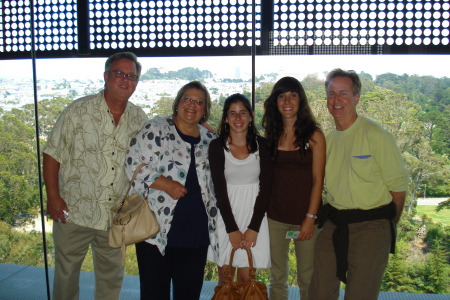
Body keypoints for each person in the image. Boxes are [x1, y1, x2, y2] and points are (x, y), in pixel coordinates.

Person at [43, 52, 148, 299]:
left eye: (131, 76)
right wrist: (53, 197)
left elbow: (157, 147)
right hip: (74, 210)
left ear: (136, 82)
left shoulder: (139, 118)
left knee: (111, 280)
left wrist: (199, 127)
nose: (125, 80)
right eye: (119, 73)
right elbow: (52, 153)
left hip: (114, 216)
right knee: (66, 277)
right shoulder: (78, 111)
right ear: (106, 76)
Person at [309, 69, 409, 300]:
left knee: (361, 294)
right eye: (332, 94)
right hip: (334, 223)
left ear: (357, 98)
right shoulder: (328, 140)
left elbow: (398, 187)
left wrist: (385, 226)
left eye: (344, 93)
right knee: (319, 292)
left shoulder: (376, 135)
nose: (337, 100)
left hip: (371, 226)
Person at [124, 81, 218, 300]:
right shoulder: (156, 129)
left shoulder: (210, 139)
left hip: (195, 234)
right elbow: (131, 162)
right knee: (154, 293)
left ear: (204, 110)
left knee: (189, 294)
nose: (192, 105)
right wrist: (165, 184)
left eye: (199, 102)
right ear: (177, 103)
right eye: (188, 99)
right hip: (155, 231)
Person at [262, 77, 326, 300]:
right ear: (275, 102)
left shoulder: (314, 135)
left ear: (301, 100)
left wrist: (310, 217)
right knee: (277, 276)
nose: (287, 101)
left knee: (307, 277)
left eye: (293, 95)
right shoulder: (270, 135)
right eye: (281, 96)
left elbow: (319, 179)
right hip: (275, 218)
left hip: (305, 218)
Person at [207, 93, 272, 284]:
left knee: (246, 280)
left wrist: (254, 227)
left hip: (254, 214)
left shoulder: (263, 145)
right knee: (225, 279)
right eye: (232, 113)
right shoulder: (217, 147)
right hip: (226, 216)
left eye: (242, 113)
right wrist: (232, 229)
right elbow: (219, 190)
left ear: (251, 116)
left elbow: (266, 188)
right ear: (226, 118)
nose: (238, 118)